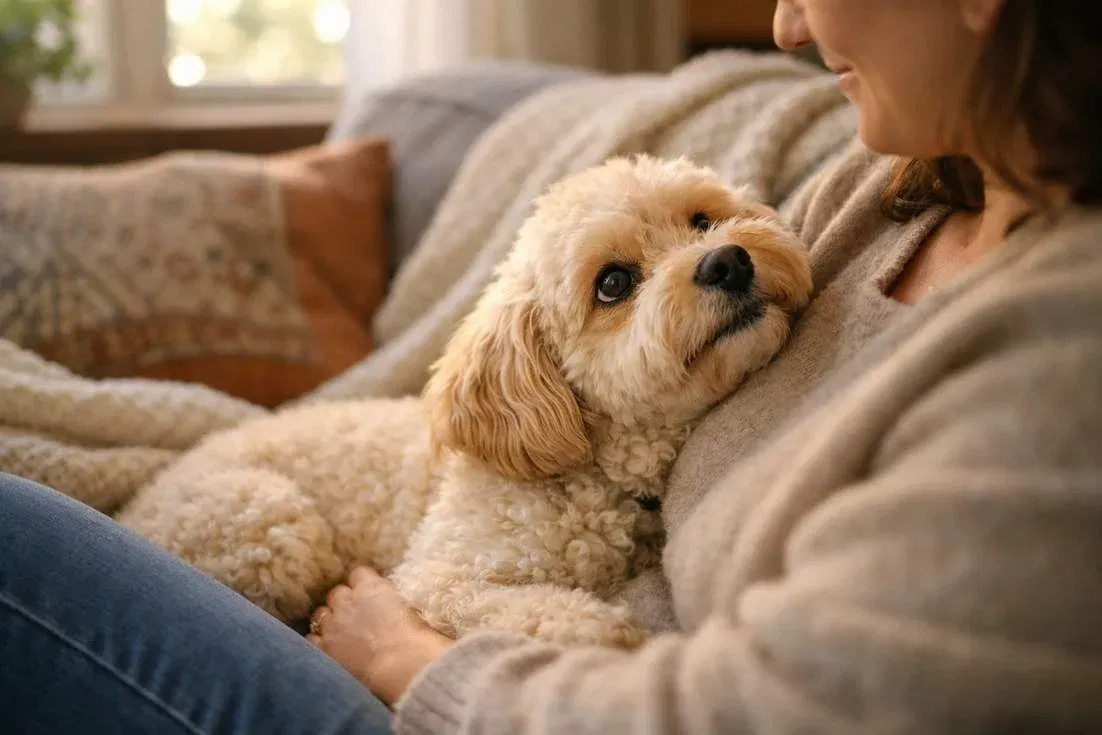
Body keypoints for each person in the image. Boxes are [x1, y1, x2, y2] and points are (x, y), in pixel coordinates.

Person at [2, 0, 1100, 732]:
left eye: (705, 223)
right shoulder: (887, 188)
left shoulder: (1055, 359)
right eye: (619, 281)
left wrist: (407, 661)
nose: (785, 24)